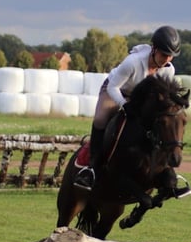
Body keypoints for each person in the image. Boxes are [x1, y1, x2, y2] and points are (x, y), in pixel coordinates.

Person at [74, 25, 181, 191]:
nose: (166, 60)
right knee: (101, 119)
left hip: (139, 99)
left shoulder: (168, 71)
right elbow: (113, 88)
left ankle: (163, 168)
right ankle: (91, 168)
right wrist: (124, 105)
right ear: (154, 49)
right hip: (115, 90)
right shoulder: (133, 63)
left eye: (170, 56)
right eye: (163, 55)